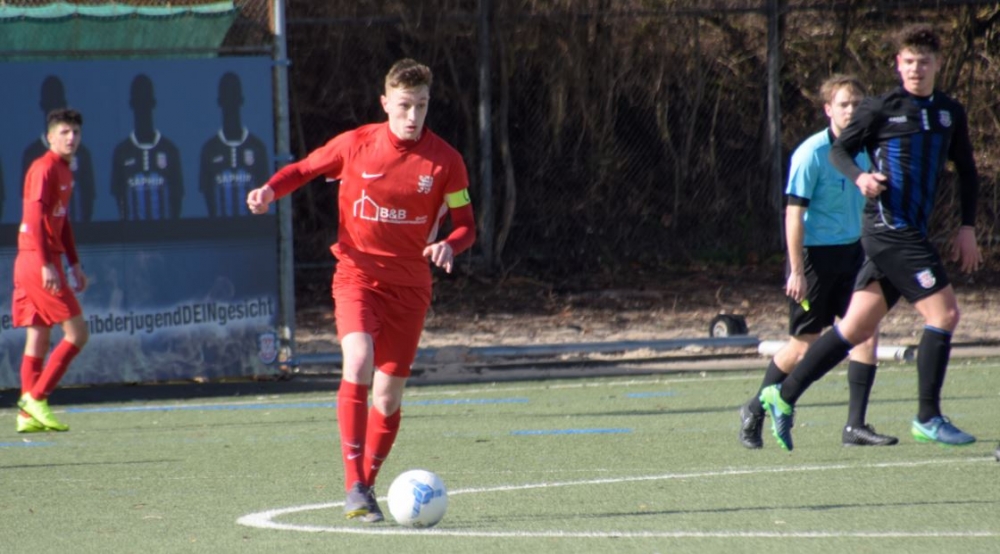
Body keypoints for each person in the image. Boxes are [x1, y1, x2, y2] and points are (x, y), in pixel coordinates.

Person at [246, 59, 476, 523]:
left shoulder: (446, 161)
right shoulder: (356, 145)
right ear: (385, 103)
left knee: (387, 399)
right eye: (405, 105)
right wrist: (270, 190)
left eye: (422, 106)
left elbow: (466, 225)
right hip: (357, 277)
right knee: (357, 361)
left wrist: (449, 245)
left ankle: (364, 486)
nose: (413, 116)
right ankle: (353, 483)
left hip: (410, 289)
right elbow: (304, 169)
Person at [759, 24, 981, 450]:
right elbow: (839, 150)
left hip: (907, 230)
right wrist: (860, 177)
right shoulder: (880, 108)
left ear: (938, 64)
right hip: (890, 229)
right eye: (909, 61)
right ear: (898, 64)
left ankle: (782, 395)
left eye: (924, 61)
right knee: (945, 315)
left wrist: (967, 227)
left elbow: (968, 171)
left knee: (855, 329)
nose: (916, 68)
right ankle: (928, 416)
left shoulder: (949, 113)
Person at [738, 75, 898, 450]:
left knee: (865, 331)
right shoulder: (810, 153)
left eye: (857, 104)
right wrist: (796, 270)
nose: (851, 110)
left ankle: (855, 426)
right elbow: (794, 215)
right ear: (828, 110)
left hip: (855, 254)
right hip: (814, 259)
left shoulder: (870, 149)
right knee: (803, 346)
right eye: (843, 104)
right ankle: (755, 408)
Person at [12, 108, 90, 433]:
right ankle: (36, 397)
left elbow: (62, 221)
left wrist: (74, 263)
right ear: (49, 137)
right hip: (36, 260)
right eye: (64, 132)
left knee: (38, 338)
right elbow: (32, 219)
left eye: (75, 132)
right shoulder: (44, 168)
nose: (71, 138)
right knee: (78, 333)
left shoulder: (66, 170)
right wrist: (46, 264)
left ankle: (26, 417)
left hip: (42, 260)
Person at [110, 74, 184, 220]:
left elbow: (177, 198)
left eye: (146, 101)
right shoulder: (122, 152)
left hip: (166, 232)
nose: (143, 107)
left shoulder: (169, 150)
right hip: (132, 233)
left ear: (153, 103)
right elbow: (119, 197)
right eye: (139, 101)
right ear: (132, 104)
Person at [199, 72, 270, 217]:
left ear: (241, 100)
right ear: (220, 101)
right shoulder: (209, 149)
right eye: (226, 98)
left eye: (234, 97)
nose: (230, 103)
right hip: (219, 228)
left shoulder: (257, 147)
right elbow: (206, 194)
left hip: (254, 228)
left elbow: (265, 193)